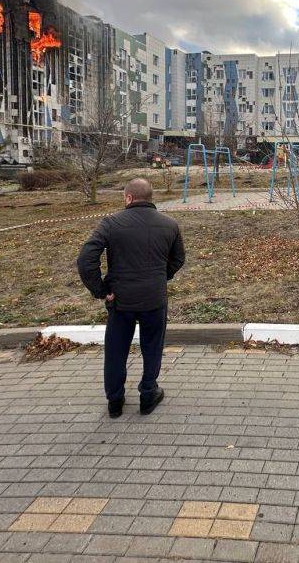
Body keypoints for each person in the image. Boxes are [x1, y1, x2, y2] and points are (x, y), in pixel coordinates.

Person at [77, 178, 185, 418]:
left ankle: (115, 401)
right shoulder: (170, 224)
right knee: (152, 346)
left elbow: (86, 259)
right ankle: (148, 393)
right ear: (150, 197)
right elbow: (178, 259)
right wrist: (161, 276)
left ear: (128, 198)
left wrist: (101, 289)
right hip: (154, 299)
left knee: (116, 351)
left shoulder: (111, 223)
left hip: (120, 299)